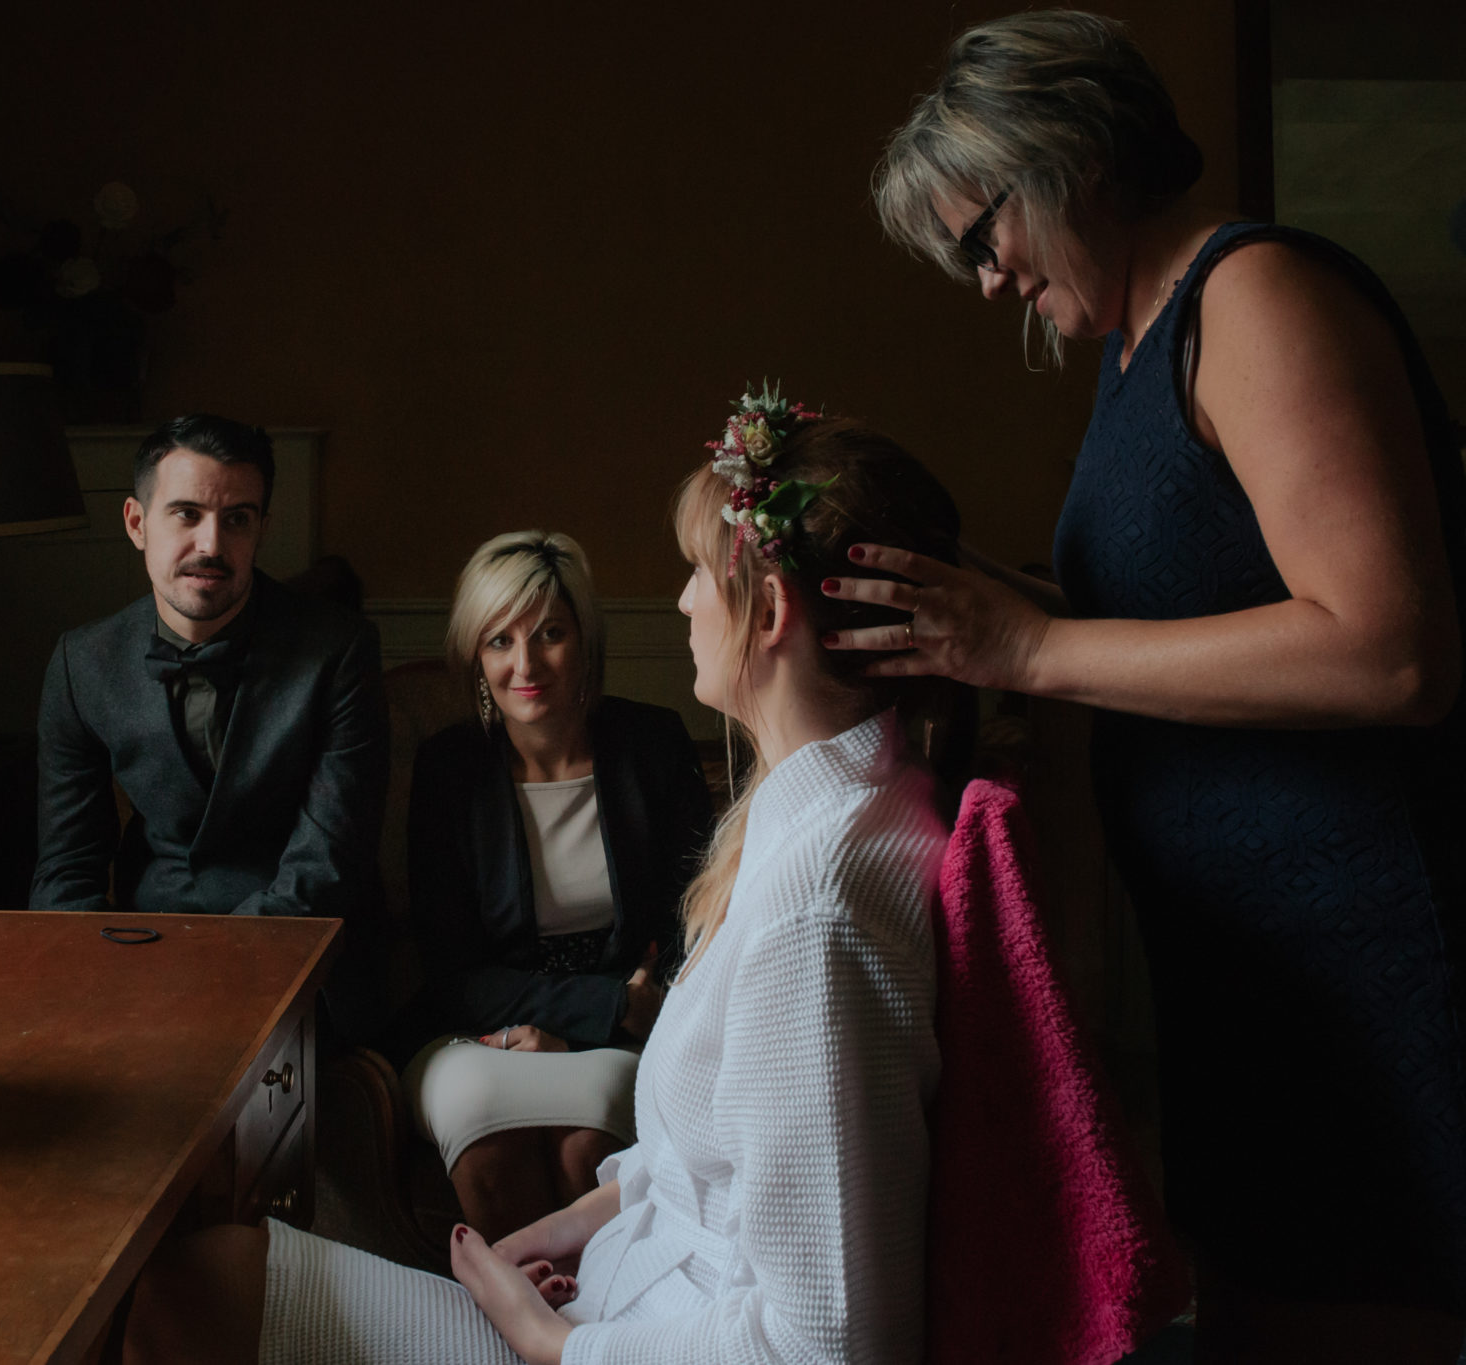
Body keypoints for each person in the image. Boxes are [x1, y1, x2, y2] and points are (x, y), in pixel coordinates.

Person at [120, 389, 959, 1365]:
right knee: (196, 1272)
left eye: (695, 574)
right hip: (610, 1291)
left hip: (611, 1341)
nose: (681, 600)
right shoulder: (813, 814)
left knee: (190, 1292)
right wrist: (573, 1225)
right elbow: (709, 1164)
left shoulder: (815, 914)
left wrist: (550, 1343)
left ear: (766, 612)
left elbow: (822, 1342)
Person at [864, 11, 1466, 1360]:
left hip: (1373, 944)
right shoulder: (1135, 345)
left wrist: (1028, 648)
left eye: (981, 237)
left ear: (1067, 158)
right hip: (1249, 966)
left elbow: (1391, 648)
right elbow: (1196, 619)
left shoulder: (1254, 296)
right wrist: (995, 609)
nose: (985, 280)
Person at [400, 530, 712, 1238]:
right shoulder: (448, 769)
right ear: (477, 658)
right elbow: (451, 968)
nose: (526, 663)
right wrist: (604, 1005)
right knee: (486, 1138)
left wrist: (613, 1023)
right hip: (479, 1034)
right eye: (499, 641)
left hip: (626, 1036)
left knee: (586, 1142)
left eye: (550, 633)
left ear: (586, 643)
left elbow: (697, 910)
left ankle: (594, 1338)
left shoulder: (652, 744)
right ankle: (518, 1334)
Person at [29, 414, 390, 1026]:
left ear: (262, 530)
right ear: (137, 523)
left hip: (306, 966)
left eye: (238, 519)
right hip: (143, 955)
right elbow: (67, 866)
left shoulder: (339, 649)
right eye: (187, 514)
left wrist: (202, 974)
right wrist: (83, 981)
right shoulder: (80, 662)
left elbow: (328, 862)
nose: (212, 546)